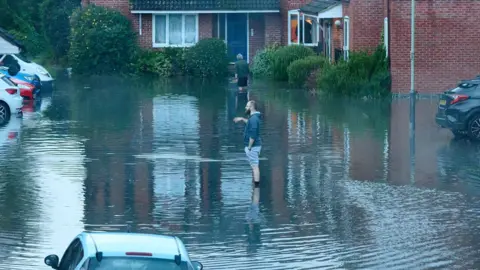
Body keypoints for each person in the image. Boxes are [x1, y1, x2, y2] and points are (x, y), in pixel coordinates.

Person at [233, 100, 262, 186]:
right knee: (254, 165)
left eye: (247, 106)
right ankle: (256, 185)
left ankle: (256, 187)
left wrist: (249, 147)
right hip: (255, 146)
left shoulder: (254, 119)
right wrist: (242, 119)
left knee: (255, 166)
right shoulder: (254, 118)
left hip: (253, 146)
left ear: (251, 107)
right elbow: (250, 123)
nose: (245, 108)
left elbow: (253, 135)